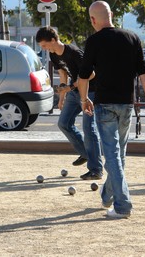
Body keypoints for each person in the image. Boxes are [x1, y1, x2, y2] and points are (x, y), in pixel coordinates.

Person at [78, 1, 145, 219]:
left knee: (112, 156)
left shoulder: (94, 41)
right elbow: (144, 74)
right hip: (127, 104)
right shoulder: (132, 38)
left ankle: (123, 205)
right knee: (119, 155)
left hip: (104, 105)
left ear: (93, 20)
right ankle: (106, 194)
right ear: (111, 15)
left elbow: (83, 76)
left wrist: (84, 100)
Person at [36, 26, 103, 180]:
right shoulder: (53, 55)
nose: (44, 49)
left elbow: (91, 74)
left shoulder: (74, 52)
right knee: (64, 123)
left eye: (44, 45)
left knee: (89, 128)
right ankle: (86, 154)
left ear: (53, 40)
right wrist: (62, 96)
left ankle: (96, 169)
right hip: (73, 91)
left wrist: (70, 87)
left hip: (90, 91)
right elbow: (63, 73)